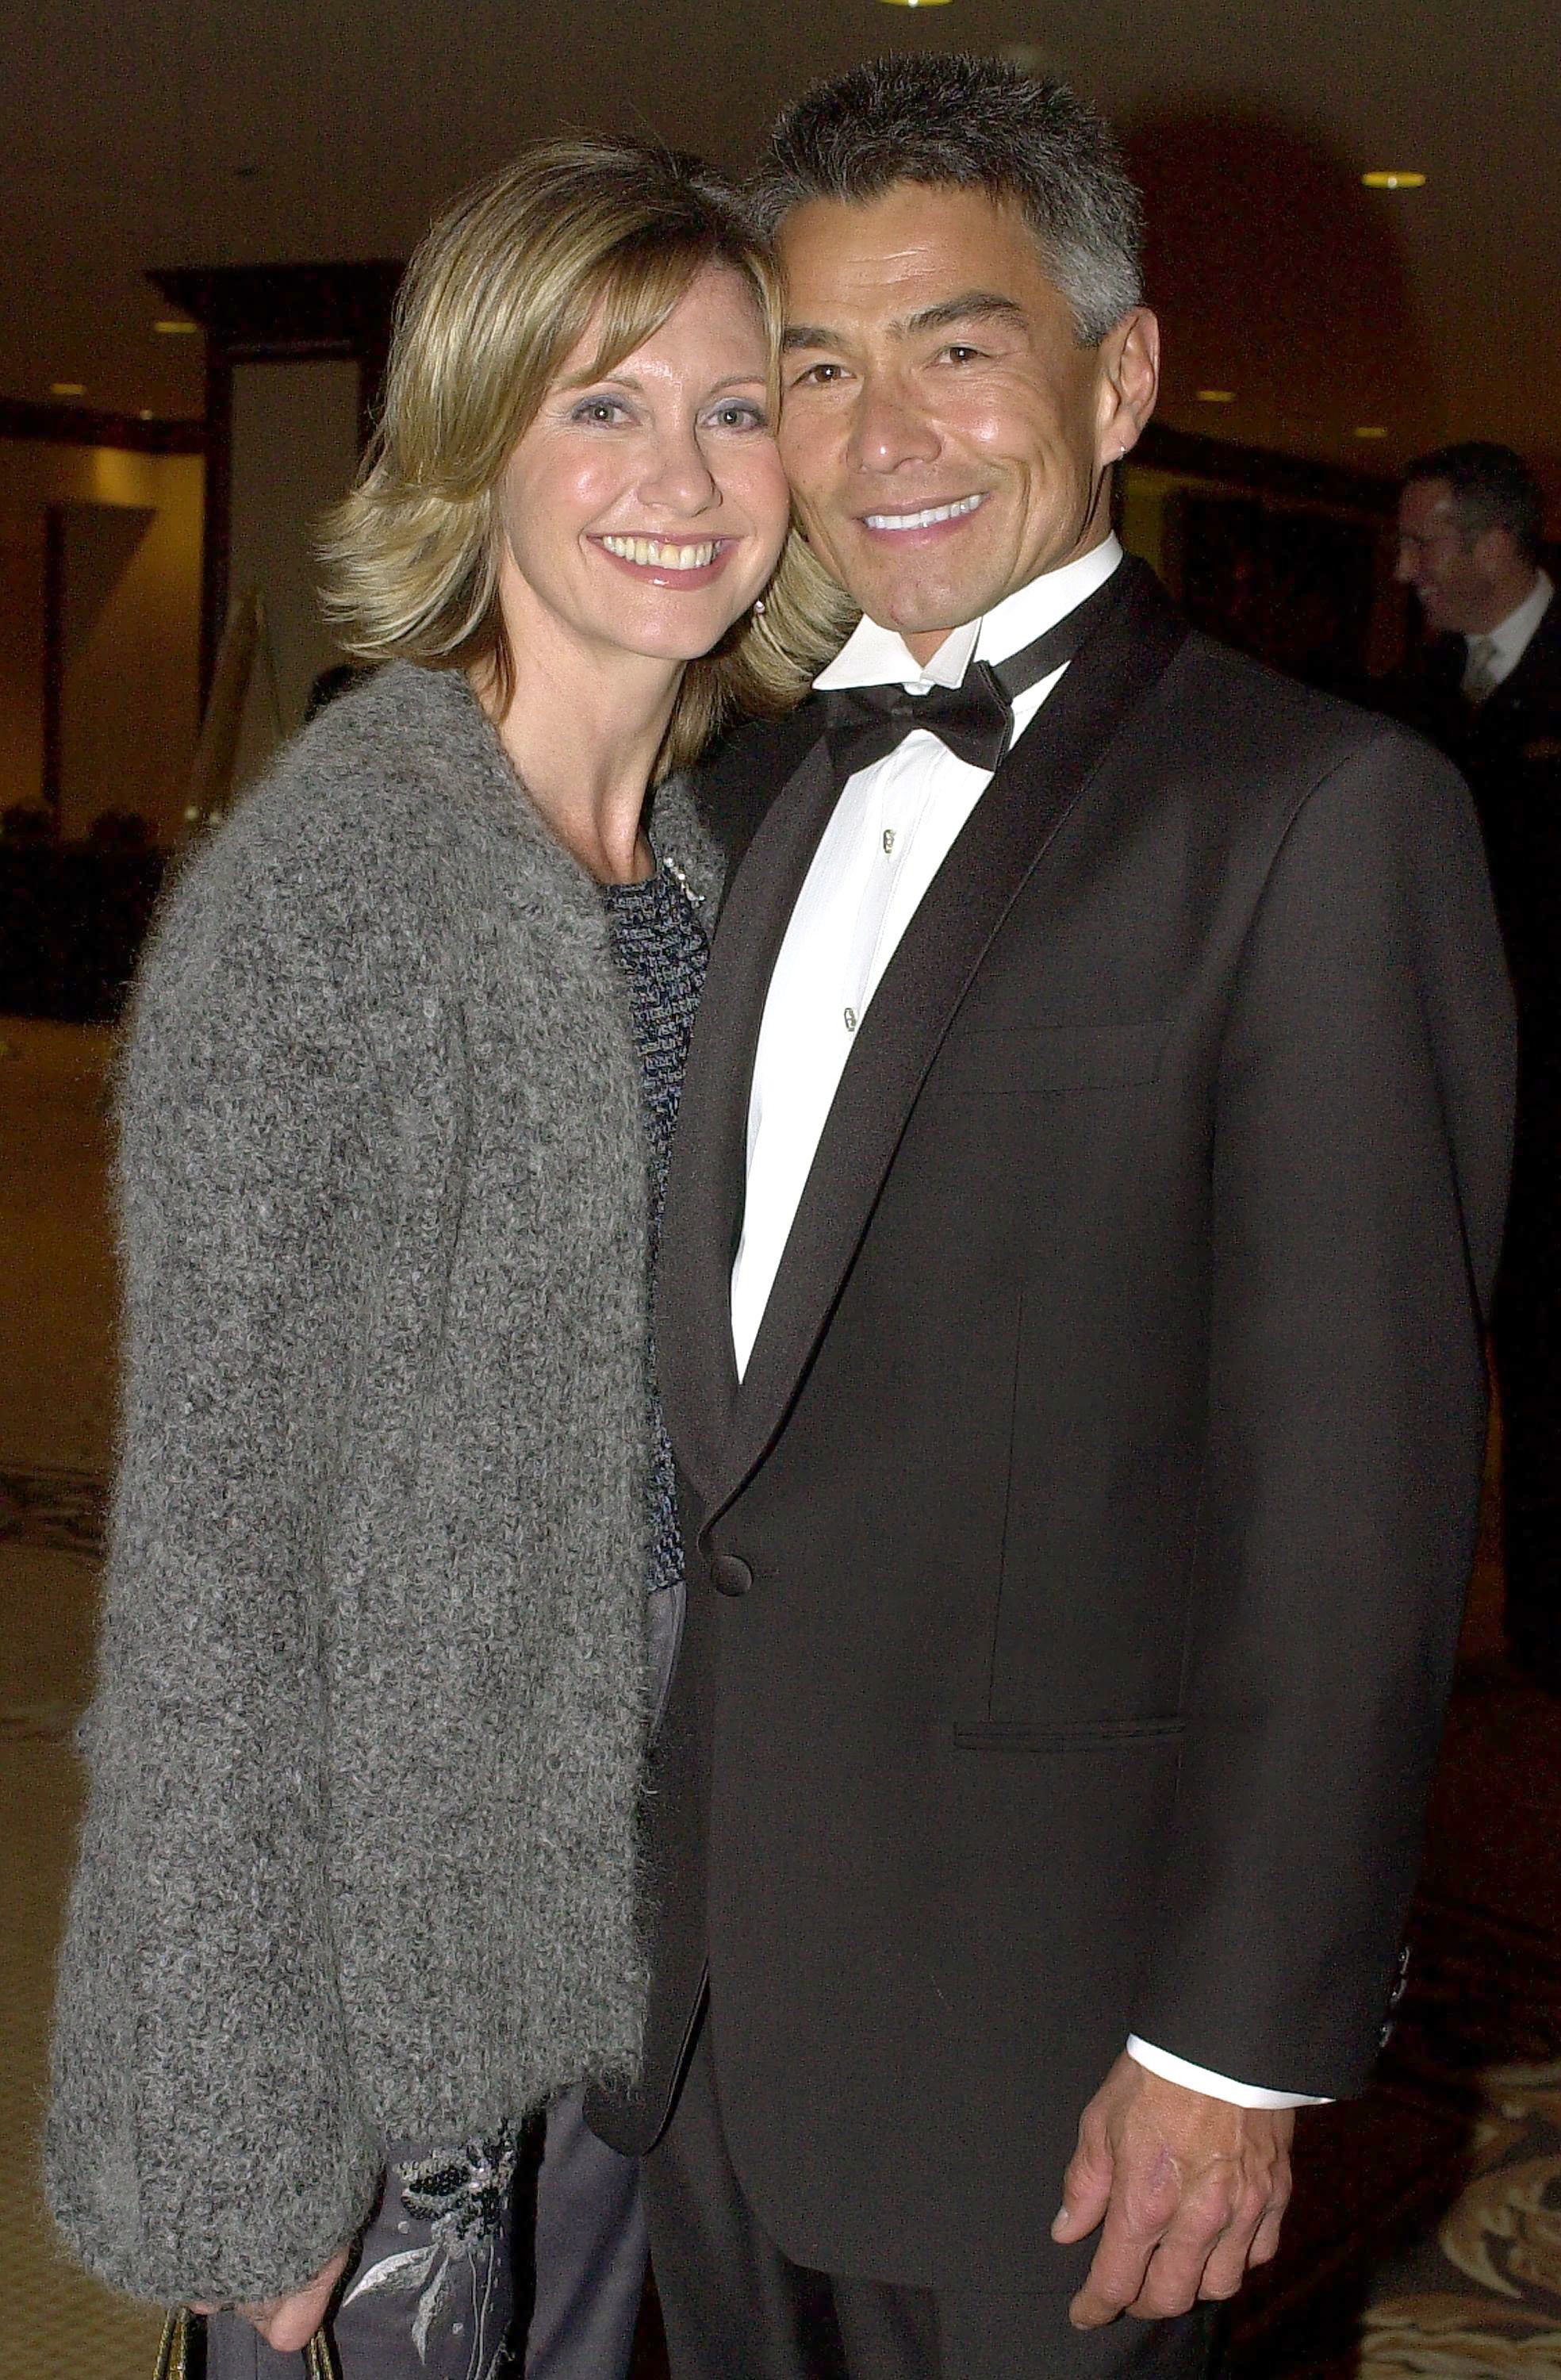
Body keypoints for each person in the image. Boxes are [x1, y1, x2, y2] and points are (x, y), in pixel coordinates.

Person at [585, 55, 1516, 2380]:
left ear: (1118, 378)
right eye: (816, 365)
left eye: (958, 345)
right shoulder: (744, 786)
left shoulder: (1319, 819)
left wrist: (1238, 2042)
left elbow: (1355, 1507)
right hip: (701, 1994)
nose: (883, 434)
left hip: (1054, 2051)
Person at [44, 135, 835, 2380]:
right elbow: (219, 1570)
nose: (679, 474)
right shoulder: (336, 903)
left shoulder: (703, 863)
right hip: (402, 1958)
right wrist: (242, 2135)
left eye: (734, 405)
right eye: (601, 403)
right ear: (478, 444)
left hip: (636, 1898)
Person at [1393, 443, 1561, 1693]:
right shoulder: (1435, 689)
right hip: (1482, 1091)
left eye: (1428, 545)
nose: (1407, 573)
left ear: (1497, 546)